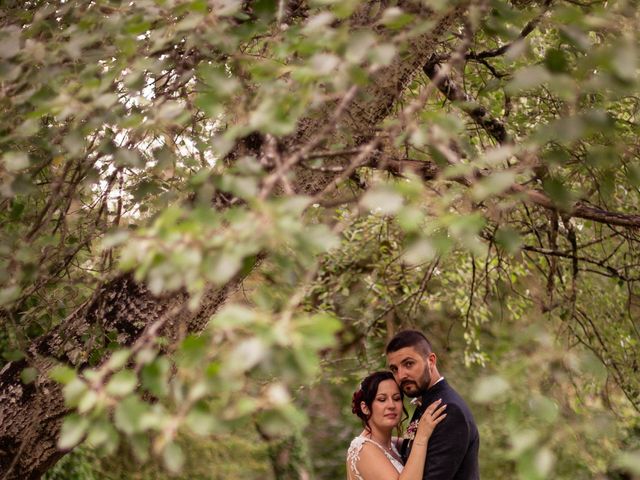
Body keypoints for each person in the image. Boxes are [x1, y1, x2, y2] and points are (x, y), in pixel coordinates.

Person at [386, 330, 480, 480]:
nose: (401, 375)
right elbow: (411, 449)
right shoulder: (427, 402)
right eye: (394, 369)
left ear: (431, 361)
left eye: (408, 364)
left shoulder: (448, 409)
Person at [347, 371, 447, 480]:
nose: (391, 405)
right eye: (382, 399)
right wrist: (421, 439)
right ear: (365, 408)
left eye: (396, 398)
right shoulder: (363, 450)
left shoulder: (393, 444)